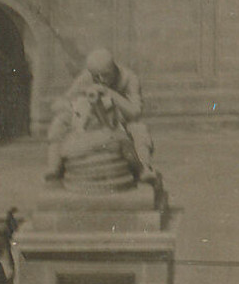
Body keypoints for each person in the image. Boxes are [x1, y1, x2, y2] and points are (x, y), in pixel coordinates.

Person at [46, 48, 157, 184]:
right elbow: (59, 103)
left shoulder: (129, 78)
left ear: (114, 68)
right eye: (96, 76)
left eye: (106, 75)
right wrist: (76, 105)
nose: (101, 79)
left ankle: (144, 169)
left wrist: (109, 92)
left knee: (140, 129)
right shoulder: (87, 77)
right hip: (92, 120)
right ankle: (53, 167)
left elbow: (135, 112)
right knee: (59, 122)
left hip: (119, 121)